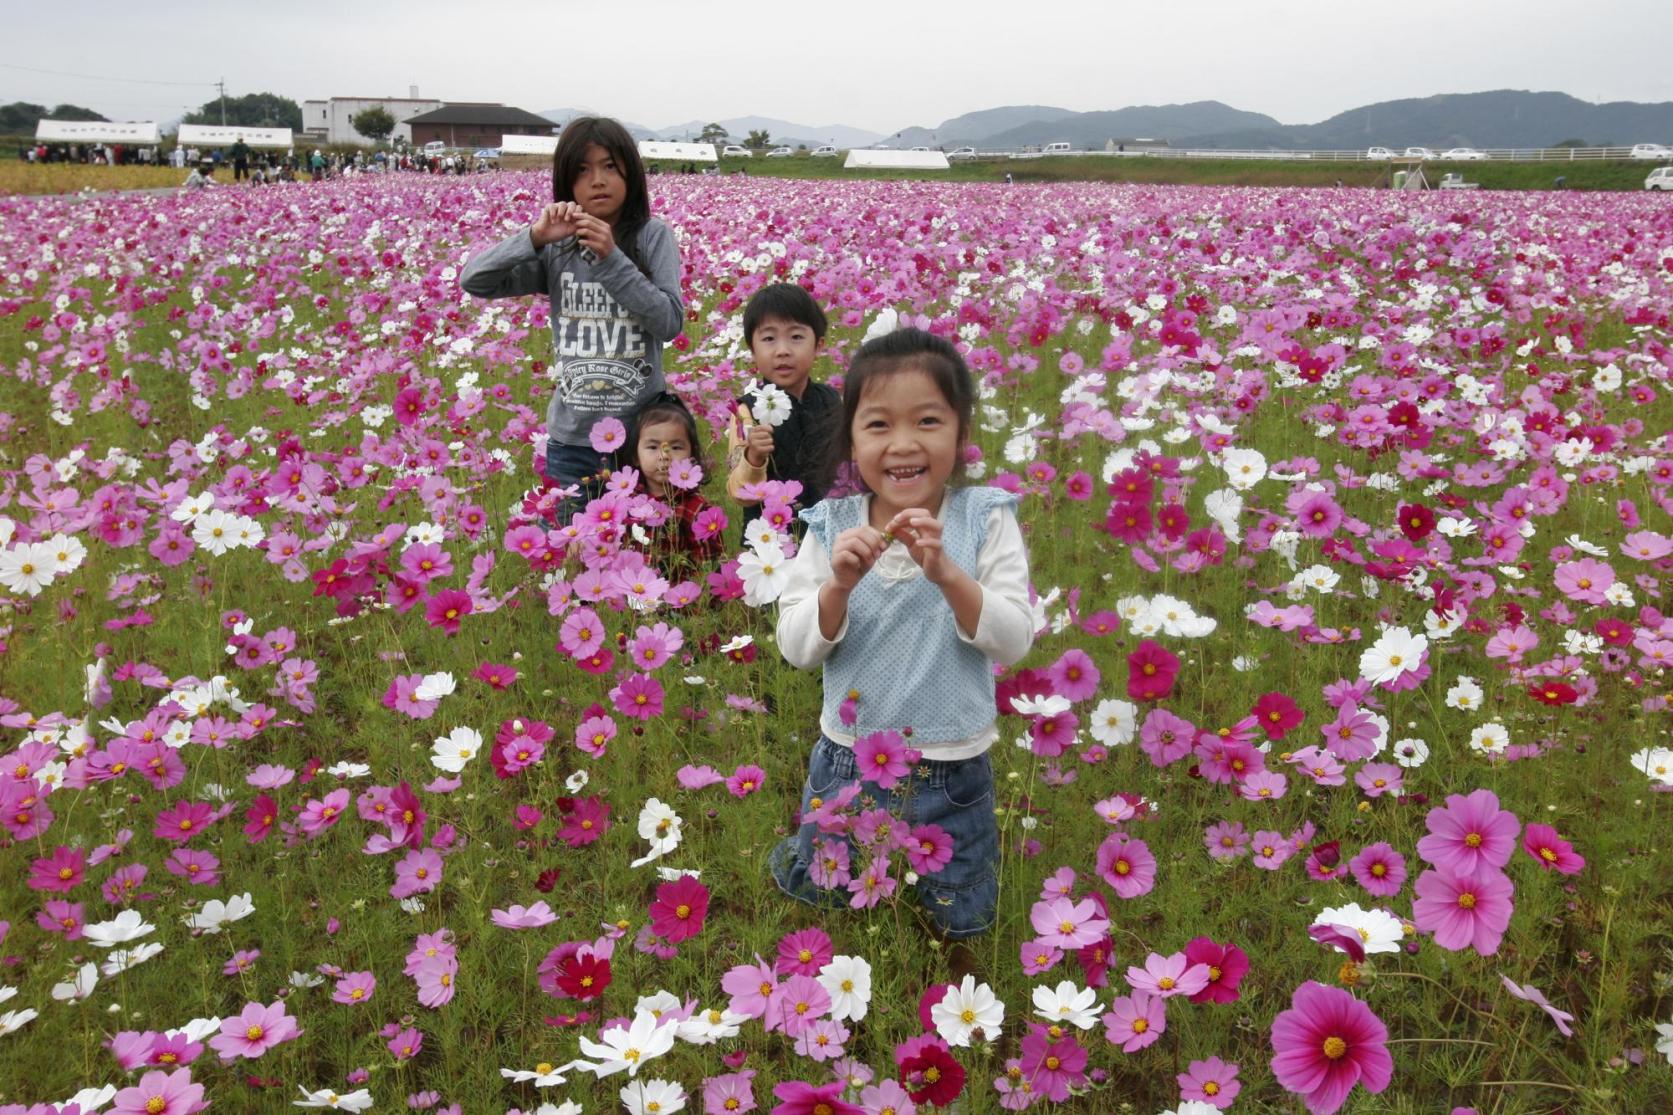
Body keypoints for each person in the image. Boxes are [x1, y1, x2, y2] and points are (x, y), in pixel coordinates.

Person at [768, 328, 1035, 941]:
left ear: (962, 435)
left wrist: (946, 573)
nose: (904, 444)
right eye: (879, 425)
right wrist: (836, 587)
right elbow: (797, 648)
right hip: (846, 762)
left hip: (953, 768)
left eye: (929, 421)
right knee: (836, 900)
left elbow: (1013, 639)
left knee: (956, 916)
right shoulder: (829, 526)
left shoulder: (984, 520)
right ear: (851, 440)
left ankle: (955, 992)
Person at [460, 116, 684, 517]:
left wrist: (612, 258)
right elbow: (476, 281)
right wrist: (533, 238)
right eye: (583, 170)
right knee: (573, 555)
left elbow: (669, 322)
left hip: (640, 439)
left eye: (610, 166)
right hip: (571, 441)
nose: (597, 180)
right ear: (567, 183)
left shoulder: (652, 236)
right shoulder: (557, 248)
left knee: (642, 559)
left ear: (631, 173)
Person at [725, 282, 840, 539]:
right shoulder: (745, 411)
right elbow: (737, 491)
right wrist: (753, 457)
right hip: (771, 540)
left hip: (830, 534)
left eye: (796, 337)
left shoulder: (831, 401)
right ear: (752, 350)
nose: (783, 351)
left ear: (819, 345)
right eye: (769, 339)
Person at [619, 391, 724, 564]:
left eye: (676, 448)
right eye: (653, 447)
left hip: (678, 589)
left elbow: (708, 565)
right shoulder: (626, 501)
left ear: (692, 454)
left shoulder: (696, 508)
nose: (664, 456)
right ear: (635, 456)